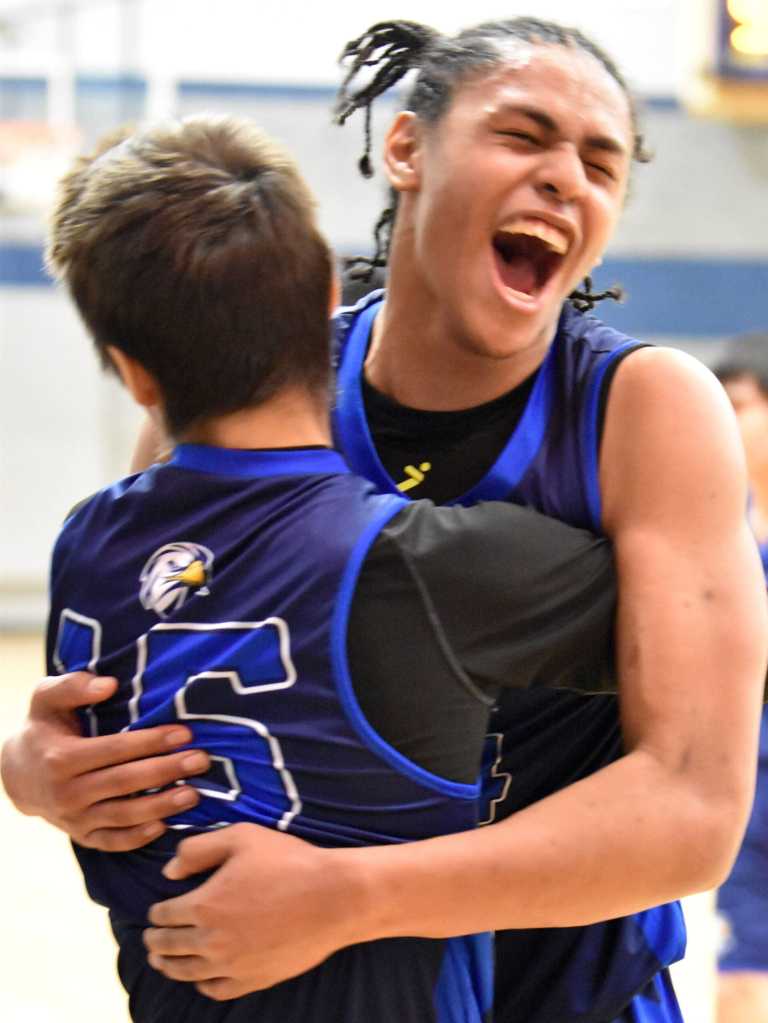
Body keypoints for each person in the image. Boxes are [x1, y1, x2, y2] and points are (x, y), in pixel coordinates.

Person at [0, 17, 768, 1022]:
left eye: (601, 161)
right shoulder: (249, 378)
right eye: (525, 135)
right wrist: (38, 770)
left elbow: (692, 811)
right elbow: (141, 669)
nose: (566, 178)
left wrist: (350, 899)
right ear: (405, 147)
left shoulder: (647, 406)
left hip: (571, 992)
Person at [33, 110, 637, 1023]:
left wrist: (23, 766)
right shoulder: (430, 567)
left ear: (134, 373)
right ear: (328, 294)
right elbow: (746, 643)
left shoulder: (86, 545)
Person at [713, 334, 768, 1023]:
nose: (722, 423)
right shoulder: (721, 531)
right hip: (754, 797)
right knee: (742, 985)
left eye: (739, 406)